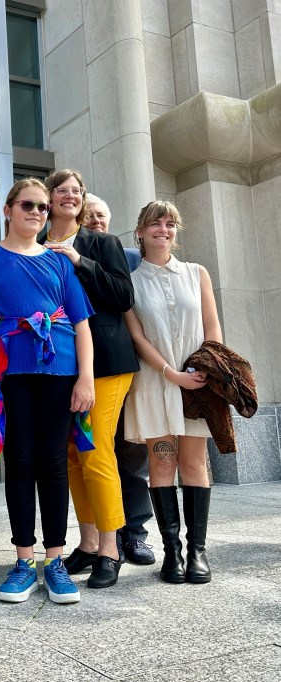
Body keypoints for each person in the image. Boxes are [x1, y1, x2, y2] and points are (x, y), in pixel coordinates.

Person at [0, 178, 94, 605]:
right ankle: (23, 561)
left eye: (41, 206)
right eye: (27, 205)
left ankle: (54, 561)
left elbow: (83, 323)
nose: (36, 212)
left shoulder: (59, 262)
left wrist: (86, 378)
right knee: (19, 462)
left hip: (59, 371)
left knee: (54, 463)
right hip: (8, 373)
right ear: (8, 210)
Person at [42, 170, 139, 589]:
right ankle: (87, 542)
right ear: (47, 198)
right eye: (61, 190)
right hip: (58, 366)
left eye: (76, 191)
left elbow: (122, 297)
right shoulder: (34, 246)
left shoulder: (101, 243)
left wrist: (79, 261)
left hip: (106, 364)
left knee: (96, 449)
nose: (70, 196)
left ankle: (111, 549)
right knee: (71, 456)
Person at [124, 200, 222, 584]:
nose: (163, 230)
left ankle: (197, 551)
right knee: (162, 463)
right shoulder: (130, 282)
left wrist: (205, 367)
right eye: (155, 224)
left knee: (195, 464)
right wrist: (170, 373)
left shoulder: (197, 273)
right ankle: (172, 553)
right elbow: (137, 337)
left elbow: (213, 327)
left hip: (197, 384)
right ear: (141, 231)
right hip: (154, 382)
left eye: (170, 224)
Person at [83, 193, 155, 566]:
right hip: (85, 368)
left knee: (131, 451)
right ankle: (97, 536)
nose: (96, 220)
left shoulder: (128, 258)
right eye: (89, 215)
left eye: (101, 215)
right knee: (94, 451)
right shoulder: (71, 252)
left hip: (124, 365)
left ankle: (136, 533)